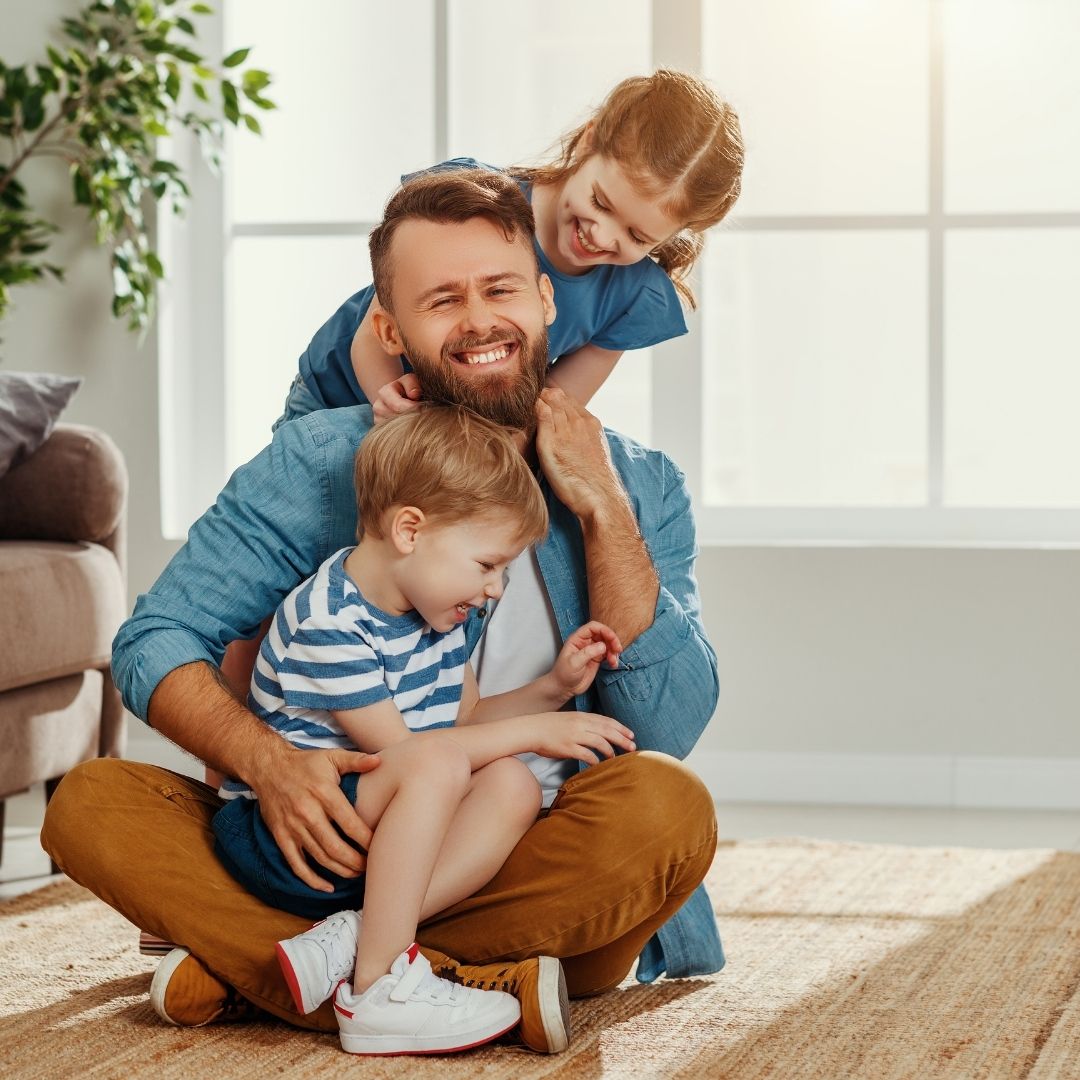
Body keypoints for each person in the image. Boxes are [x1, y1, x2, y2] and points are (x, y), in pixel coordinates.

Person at [40, 167, 722, 1055]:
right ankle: (463, 977)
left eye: (501, 289)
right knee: (92, 803)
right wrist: (269, 761)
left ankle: (269, 967)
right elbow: (155, 638)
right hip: (328, 843)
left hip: (517, 851)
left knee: (668, 809)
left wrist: (603, 511)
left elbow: (668, 722)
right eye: (443, 300)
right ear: (393, 331)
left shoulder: (638, 483)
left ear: (548, 300)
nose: (479, 320)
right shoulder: (324, 460)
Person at [214, 404, 631, 1055]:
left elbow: (462, 724)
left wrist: (551, 689)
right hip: (293, 836)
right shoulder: (329, 623)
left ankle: (355, 936)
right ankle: (376, 991)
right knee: (449, 764)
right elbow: (409, 755)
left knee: (513, 783)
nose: (494, 590)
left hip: (375, 833)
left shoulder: (442, 614)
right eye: (487, 564)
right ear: (410, 529)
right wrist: (538, 728)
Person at [276, 69, 743, 427]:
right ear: (588, 140)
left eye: (638, 237)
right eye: (601, 202)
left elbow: (550, 405)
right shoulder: (476, 198)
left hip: (452, 427)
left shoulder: (633, 296)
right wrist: (391, 411)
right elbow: (370, 338)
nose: (602, 236)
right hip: (341, 391)